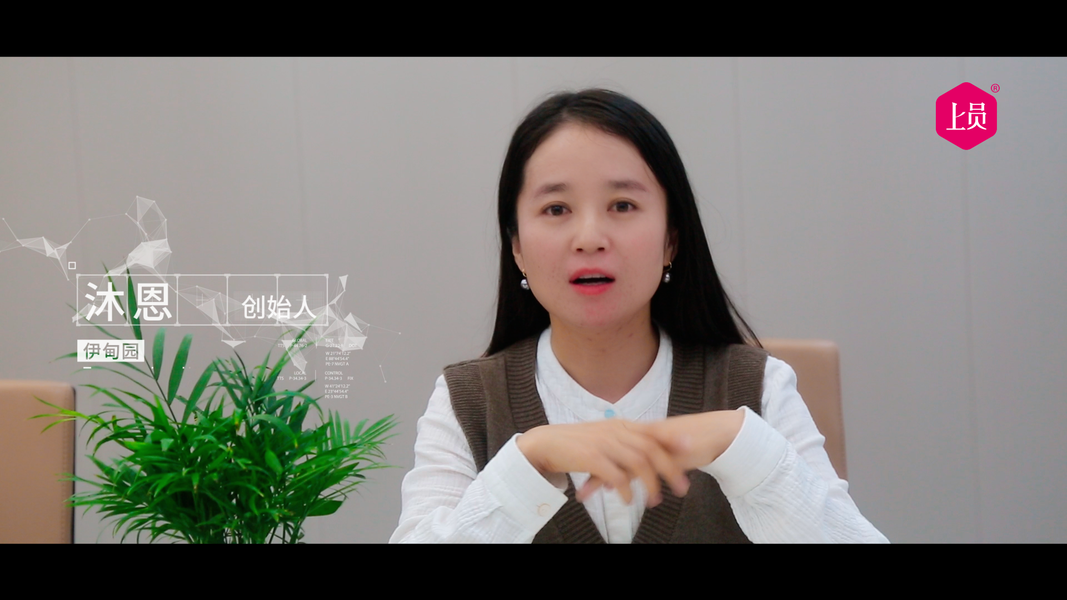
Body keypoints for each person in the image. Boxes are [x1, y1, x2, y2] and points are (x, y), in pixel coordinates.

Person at [390, 89, 887, 543]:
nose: (589, 237)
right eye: (556, 209)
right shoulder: (466, 401)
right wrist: (530, 460)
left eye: (623, 205)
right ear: (516, 246)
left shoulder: (759, 388)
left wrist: (739, 444)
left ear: (671, 239)